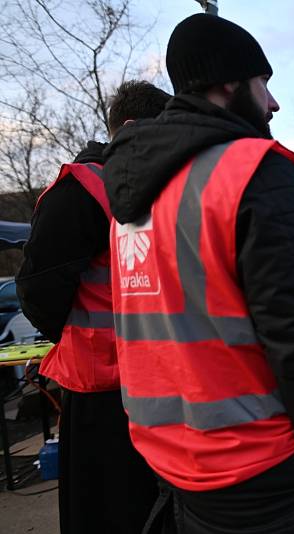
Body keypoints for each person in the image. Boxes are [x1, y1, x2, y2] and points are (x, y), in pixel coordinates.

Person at [102, 14, 294, 534]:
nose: (272, 103)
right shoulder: (253, 171)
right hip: (264, 465)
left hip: (175, 462)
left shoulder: (131, 192)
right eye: (263, 83)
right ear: (227, 83)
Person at [16, 80, 169, 534]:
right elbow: (39, 292)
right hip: (103, 389)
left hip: (157, 382)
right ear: (132, 128)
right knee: (109, 511)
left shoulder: (159, 188)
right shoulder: (81, 188)